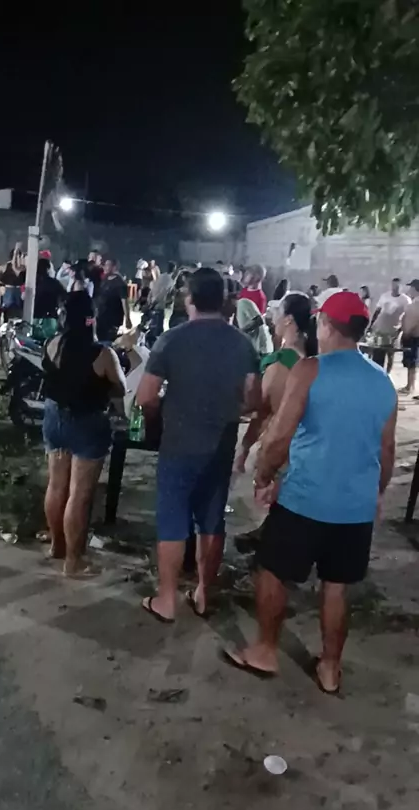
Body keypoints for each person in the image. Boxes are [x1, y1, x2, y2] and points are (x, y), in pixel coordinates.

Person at [223, 292, 397, 694]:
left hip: (305, 500)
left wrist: (264, 476)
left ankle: (265, 650)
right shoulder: (382, 381)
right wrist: (376, 492)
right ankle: (330, 667)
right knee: (337, 586)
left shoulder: (310, 369)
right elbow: (386, 451)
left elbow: (279, 435)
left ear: (328, 327)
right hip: (354, 507)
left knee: (272, 570)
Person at [136, 267, 261, 622]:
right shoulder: (242, 343)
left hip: (179, 443)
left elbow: (146, 396)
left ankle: (167, 600)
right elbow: (254, 401)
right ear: (222, 300)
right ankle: (204, 593)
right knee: (211, 520)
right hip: (220, 445)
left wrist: (160, 415)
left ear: (189, 299)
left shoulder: (171, 340)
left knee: (173, 520)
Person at [42, 290, 127, 577]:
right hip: (87, 423)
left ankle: (57, 546)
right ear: (91, 319)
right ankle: (73, 562)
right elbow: (121, 387)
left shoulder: (53, 344)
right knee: (79, 494)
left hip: (54, 418)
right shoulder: (102, 354)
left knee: (56, 485)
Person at [236, 292, 316, 473]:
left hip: (281, 455)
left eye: (278, 310)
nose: (273, 316)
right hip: (307, 450)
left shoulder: (279, 364)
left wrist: (243, 450)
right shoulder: (313, 360)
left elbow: (262, 412)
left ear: (288, 319)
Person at [370, 278, 410, 374]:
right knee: (378, 353)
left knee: (390, 353)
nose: (394, 288)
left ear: (401, 287)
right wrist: (372, 324)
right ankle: (377, 373)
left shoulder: (405, 300)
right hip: (380, 328)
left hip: (393, 330)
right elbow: (377, 311)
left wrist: (402, 329)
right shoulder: (385, 296)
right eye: (393, 285)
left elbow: (407, 315)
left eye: (397, 286)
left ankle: (387, 374)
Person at [95, 258, 131, 341]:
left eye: (108, 265)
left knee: (108, 340)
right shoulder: (104, 279)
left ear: (114, 267)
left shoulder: (120, 283)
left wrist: (127, 319)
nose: (105, 267)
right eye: (105, 265)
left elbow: (124, 301)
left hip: (113, 318)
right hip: (101, 316)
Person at [147, 261, 175, 344]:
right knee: (157, 327)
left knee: (152, 324)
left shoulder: (161, 276)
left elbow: (152, 288)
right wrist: (154, 303)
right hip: (158, 305)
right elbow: (162, 293)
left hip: (152, 301)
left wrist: (150, 300)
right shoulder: (170, 281)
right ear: (174, 269)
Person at [33, 257, 65, 331]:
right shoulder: (54, 283)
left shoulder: (32, 282)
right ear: (48, 269)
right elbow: (64, 296)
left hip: (33, 317)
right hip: (50, 318)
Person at [400, 279, 419, 397]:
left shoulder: (416, 304)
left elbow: (415, 320)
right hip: (411, 335)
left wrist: (408, 331)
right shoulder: (413, 302)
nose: (409, 290)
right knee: (411, 362)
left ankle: (410, 386)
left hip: (413, 336)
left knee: (412, 362)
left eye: (411, 288)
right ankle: (409, 385)